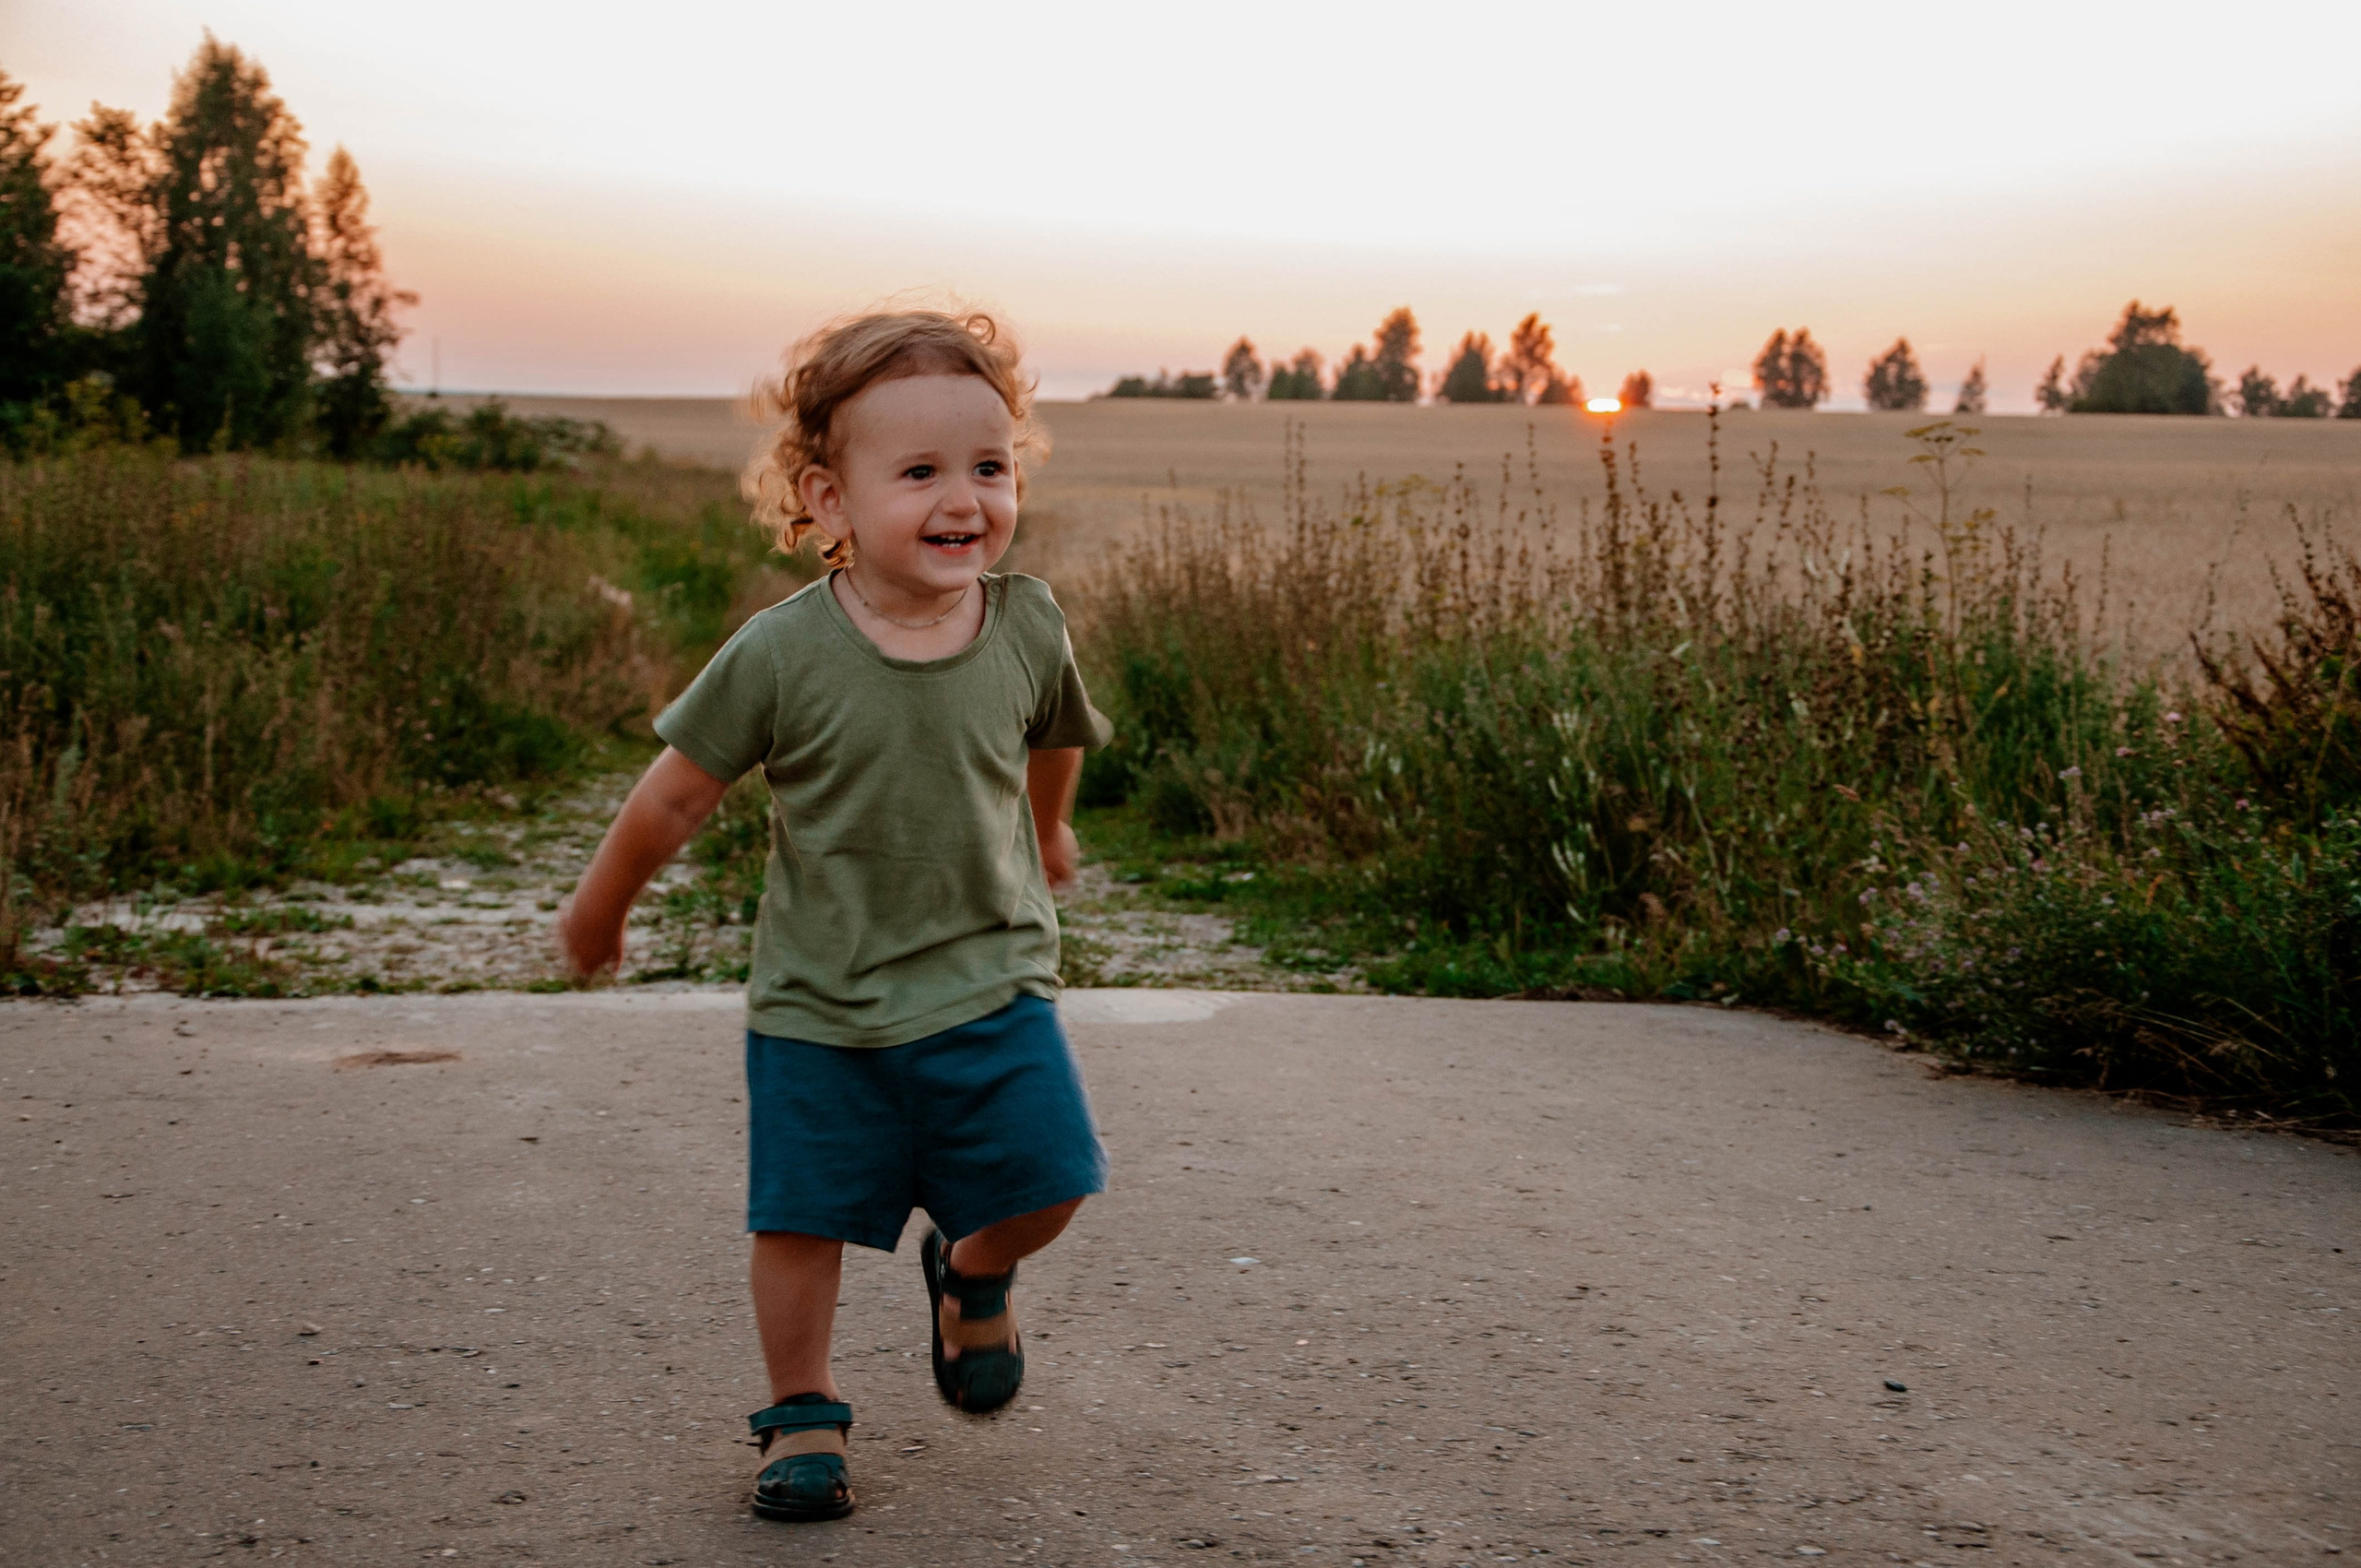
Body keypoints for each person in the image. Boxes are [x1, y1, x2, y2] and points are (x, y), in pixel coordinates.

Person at [555, 309, 1112, 1525]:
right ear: (828, 500)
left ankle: (972, 1269)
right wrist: (601, 910)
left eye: (990, 466)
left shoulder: (1027, 623)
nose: (965, 499)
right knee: (801, 1219)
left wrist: (1051, 826)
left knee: (1056, 1177)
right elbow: (676, 792)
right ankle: (800, 1411)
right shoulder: (783, 653)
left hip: (993, 977)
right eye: (919, 473)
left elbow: (1054, 736)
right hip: (820, 999)